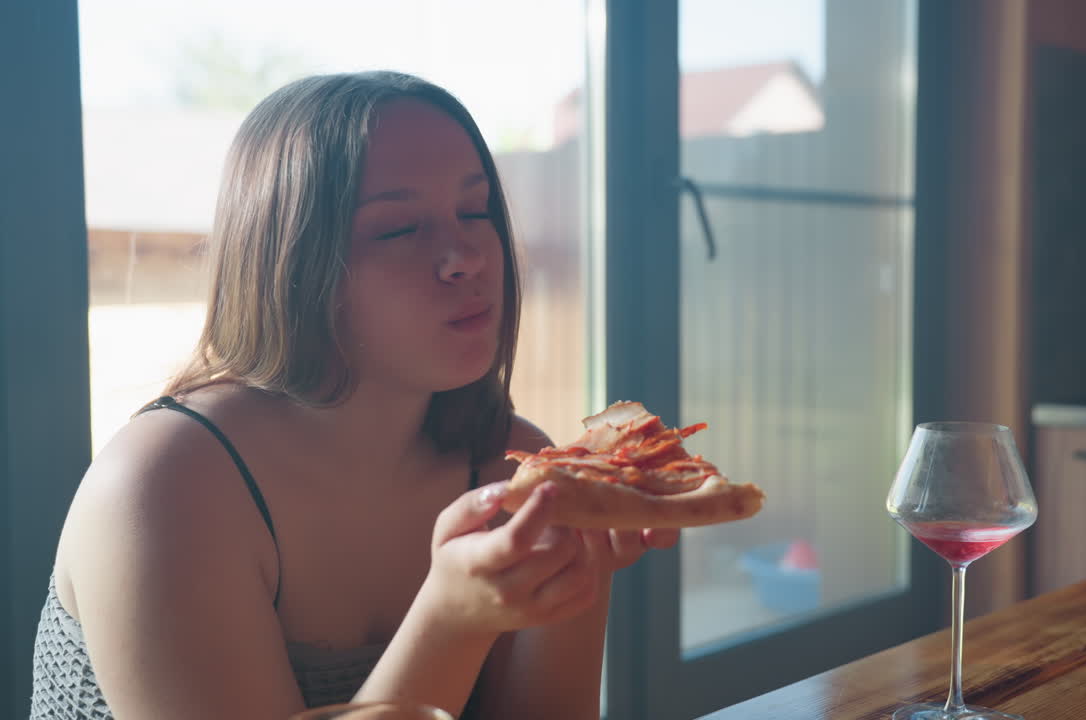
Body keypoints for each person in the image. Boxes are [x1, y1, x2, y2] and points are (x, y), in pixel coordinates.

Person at [30, 70, 677, 720]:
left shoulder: (512, 465)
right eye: (398, 228)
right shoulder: (165, 487)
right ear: (292, 266)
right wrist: (453, 618)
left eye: (475, 211)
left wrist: (576, 581)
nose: (466, 256)